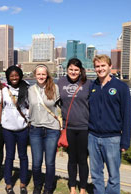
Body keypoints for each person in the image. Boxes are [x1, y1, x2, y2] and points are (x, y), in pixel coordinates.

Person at [88, 54, 131, 194]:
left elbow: (128, 114)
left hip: (113, 139)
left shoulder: (120, 87)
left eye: (103, 66)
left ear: (110, 67)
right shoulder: (92, 86)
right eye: (97, 66)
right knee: (96, 175)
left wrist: (125, 141)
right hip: (93, 137)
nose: (100, 69)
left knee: (114, 176)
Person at [58, 58, 92, 194]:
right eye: (71, 69)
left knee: (83, 160)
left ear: (80, 70)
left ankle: (82, 188)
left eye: (76, 70)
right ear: (67, 69)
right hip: (68, 128)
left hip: (84, 127)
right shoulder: (60, 82)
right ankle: (72, 187)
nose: (73, 72)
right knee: (72, 159)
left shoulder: (88, 83)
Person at [28, 65, 61, 194]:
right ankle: (37, 186)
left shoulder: (54, 88)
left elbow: (59, 107)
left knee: (50, 162)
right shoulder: (30, 90)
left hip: (52, 129)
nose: (41, 76)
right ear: (35, 75)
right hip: (35, 128)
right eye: (38, 74)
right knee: (36, 163)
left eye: (43, 74)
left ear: (47, 75)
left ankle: (48, 188)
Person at [2, 65, 31, 194]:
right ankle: (8, 183)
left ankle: (23, 183)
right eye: (11, 76)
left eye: (16, 75)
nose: (14, 78)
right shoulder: (4, 90)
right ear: (8, 77)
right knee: (9, 156)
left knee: (23, 156)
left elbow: (30, 106)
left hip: (22, 128)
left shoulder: (27, 88)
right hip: (8, 129)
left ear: (20, 75)